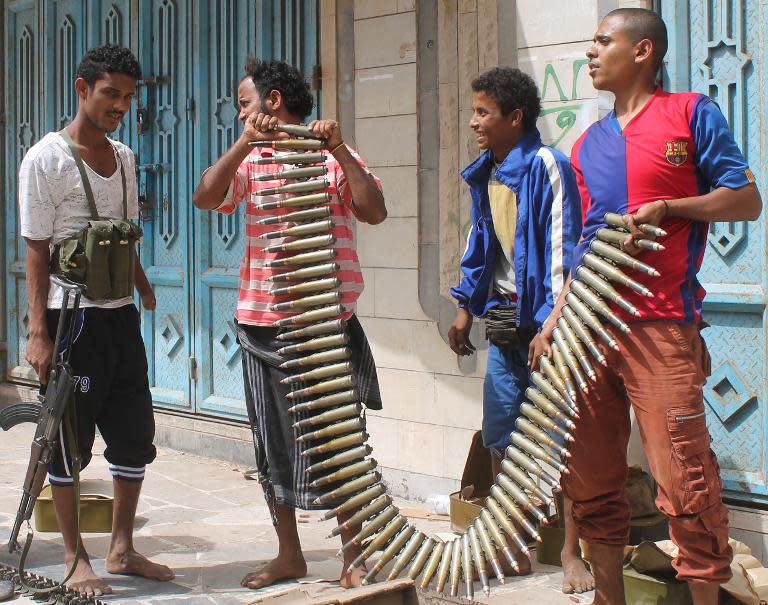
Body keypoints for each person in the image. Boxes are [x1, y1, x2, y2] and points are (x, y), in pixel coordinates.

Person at [536, 9, 762, 605]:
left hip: (661, 327)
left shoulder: (690, 113)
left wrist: (672, 207)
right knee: (591, 481)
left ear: (642, 52)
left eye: (602, 41)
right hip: (589, 329)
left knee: (685, 479)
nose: (590, 52)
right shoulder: (588, 144)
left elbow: (745, 200)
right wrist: (557, 320)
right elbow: (587, 244)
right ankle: (608, 597)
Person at [192, 57, 387, 589]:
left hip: (326, 323)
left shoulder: (330, 159)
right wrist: (243, 145)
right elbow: (207, 196)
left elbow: (374, 210)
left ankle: (354, 555)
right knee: (272, 444)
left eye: (245, 103)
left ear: (273, 101)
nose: (240, 113)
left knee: (341, 442)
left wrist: (340, 148)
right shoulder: (251, 163)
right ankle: (290, 554)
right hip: (263, 324)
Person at [19, 44, 174, 597]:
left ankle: (123, 548)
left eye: (129, 97)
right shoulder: (45, 160)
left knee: (134, 435)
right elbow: (37, 250)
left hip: (119, 316)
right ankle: (71, 556)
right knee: (68, 439)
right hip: (70, 319)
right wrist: (38, 331)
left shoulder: (126, 158)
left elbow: (123, 232)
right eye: (111, 93)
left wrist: (142, 285)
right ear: (82, 89)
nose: (121, 105)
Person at [447, 67, 591, 591]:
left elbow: (564, 249)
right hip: (507, 328)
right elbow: (481, 243)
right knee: (501, 435)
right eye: (474, 110)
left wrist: (553, 324)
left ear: (515, 117)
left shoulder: (549, 167)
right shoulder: (486, 173)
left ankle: (573, 550)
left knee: (561, 438)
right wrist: (466, 306)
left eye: (483, 113)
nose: (473, 122)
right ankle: (517, 543)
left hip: (551, 328)